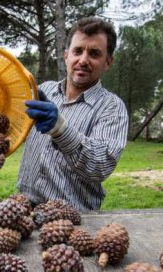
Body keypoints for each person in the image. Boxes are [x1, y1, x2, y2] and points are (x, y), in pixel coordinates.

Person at [18, 17, 128, 212]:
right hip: (23, 209)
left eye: (94, 54)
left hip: (75, 221)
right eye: (78, 51)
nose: (83, 60)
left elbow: (100, 165)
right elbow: (11, 127)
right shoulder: (43, 91)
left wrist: (60, 129)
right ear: (66, 55)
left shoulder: (112, 107)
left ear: (108, 62)